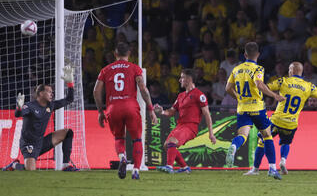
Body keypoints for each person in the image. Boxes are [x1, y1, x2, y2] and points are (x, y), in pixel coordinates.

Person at [244, 62, 317, 176]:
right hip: (291, 123)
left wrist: (258, 83)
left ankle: (255, 169)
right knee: (285, 143)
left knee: (262, 141)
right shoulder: (309, 86)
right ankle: (283, 161)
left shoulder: (283, 81)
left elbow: (265, 88)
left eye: (289, 69)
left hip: (277, 120)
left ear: (291, 71)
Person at [93, 42, 157, 180]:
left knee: (119, 138)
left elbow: (96, 91)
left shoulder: (105, 70)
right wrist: (150, 108)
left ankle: (122, 158)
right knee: (137, 139)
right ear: (129, 54)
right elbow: (143, 89)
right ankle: (135, 170)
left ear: (115, 54)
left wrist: (100, 111)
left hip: (113, 107)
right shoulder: (135, 68)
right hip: (130, 106)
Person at [225, 42, 285, 180]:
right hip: (257, 108)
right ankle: (272, 168)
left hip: (242, 108)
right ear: (258, 54)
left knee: (243, 136)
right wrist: (275, 95)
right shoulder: (258, 69)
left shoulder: (236, 69)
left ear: (245, 54)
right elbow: (259, 84)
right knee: (267, 136)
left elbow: (228, 88)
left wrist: (239, 98)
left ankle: (234, 146)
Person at [2, 65, 78, 171]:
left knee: (68, 132)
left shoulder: (50, 106)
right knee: (30, 171)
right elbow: (18, 115)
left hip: (41, 142)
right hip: (28, 144)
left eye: (52, 92)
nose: (52, 94)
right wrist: (19, 107)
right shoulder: (30, 106)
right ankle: (14, 165)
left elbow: (69, 99)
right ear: (41, 93)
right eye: (49, 92)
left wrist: (70, 83)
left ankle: (65, 165)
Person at [154, 69, 216, 173]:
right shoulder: (180, 96)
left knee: (172, 142)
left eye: (182, 77)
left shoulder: (199, 95)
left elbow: (207, 114)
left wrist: (211, 134)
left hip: (191, 126)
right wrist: (162, 111)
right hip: (180, 125)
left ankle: (169, 167)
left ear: (189, 79)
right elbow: (172, 111)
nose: (179, 80)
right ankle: (184, 168)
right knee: (166, 146)